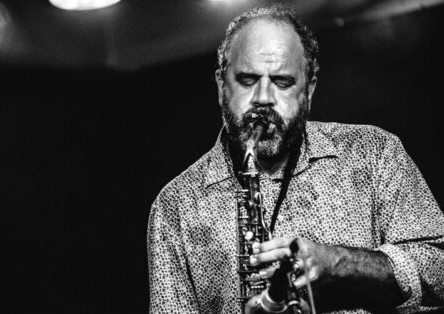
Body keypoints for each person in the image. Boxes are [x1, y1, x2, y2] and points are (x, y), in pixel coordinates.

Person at [147, 4, 444, 314]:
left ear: (310, 89)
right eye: (247, 81)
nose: (263, 97)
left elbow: (439, 269)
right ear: (222, 86)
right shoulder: (175, 207)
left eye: (283, 82)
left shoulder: (374, 153)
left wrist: (339, 264)